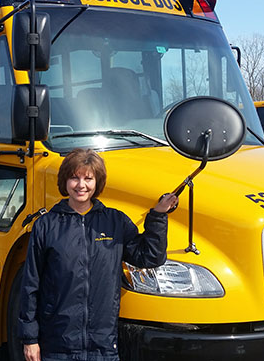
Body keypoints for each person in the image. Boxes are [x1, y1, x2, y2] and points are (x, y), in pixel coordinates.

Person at [18, 148, 178, 361]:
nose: (81, 185)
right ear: (65, 181)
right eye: (74, 177)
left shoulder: (115, 221)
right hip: (57, 347)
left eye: (88, 178)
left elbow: (149, 257)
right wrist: (30, 339)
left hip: (103, 347)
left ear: (97, 182)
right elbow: (31, 285)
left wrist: (158, 216)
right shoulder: (46, 226)